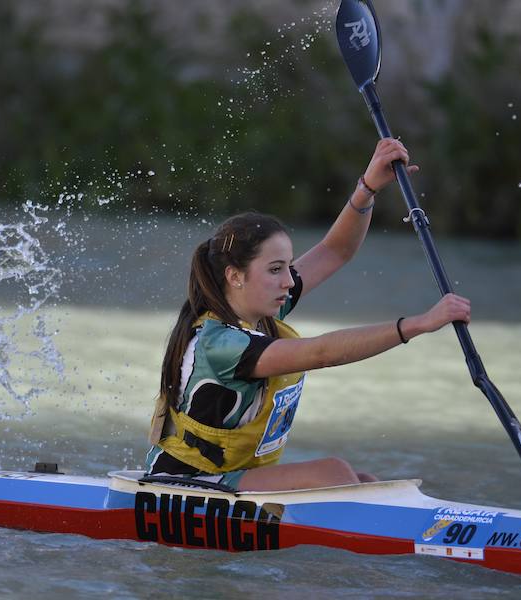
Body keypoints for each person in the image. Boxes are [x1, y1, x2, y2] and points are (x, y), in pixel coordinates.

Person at [146, 138, 471, 492]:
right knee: (335, 474)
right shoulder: (221, 343)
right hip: (181, 484)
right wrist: (417, 325)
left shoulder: (258, 311)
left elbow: (335, 250)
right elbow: (321, 353)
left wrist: (367, 190)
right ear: (235, 276)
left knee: (365, 483)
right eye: (274, 269)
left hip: (222, 478)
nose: (289, 280)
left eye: (287, 266)